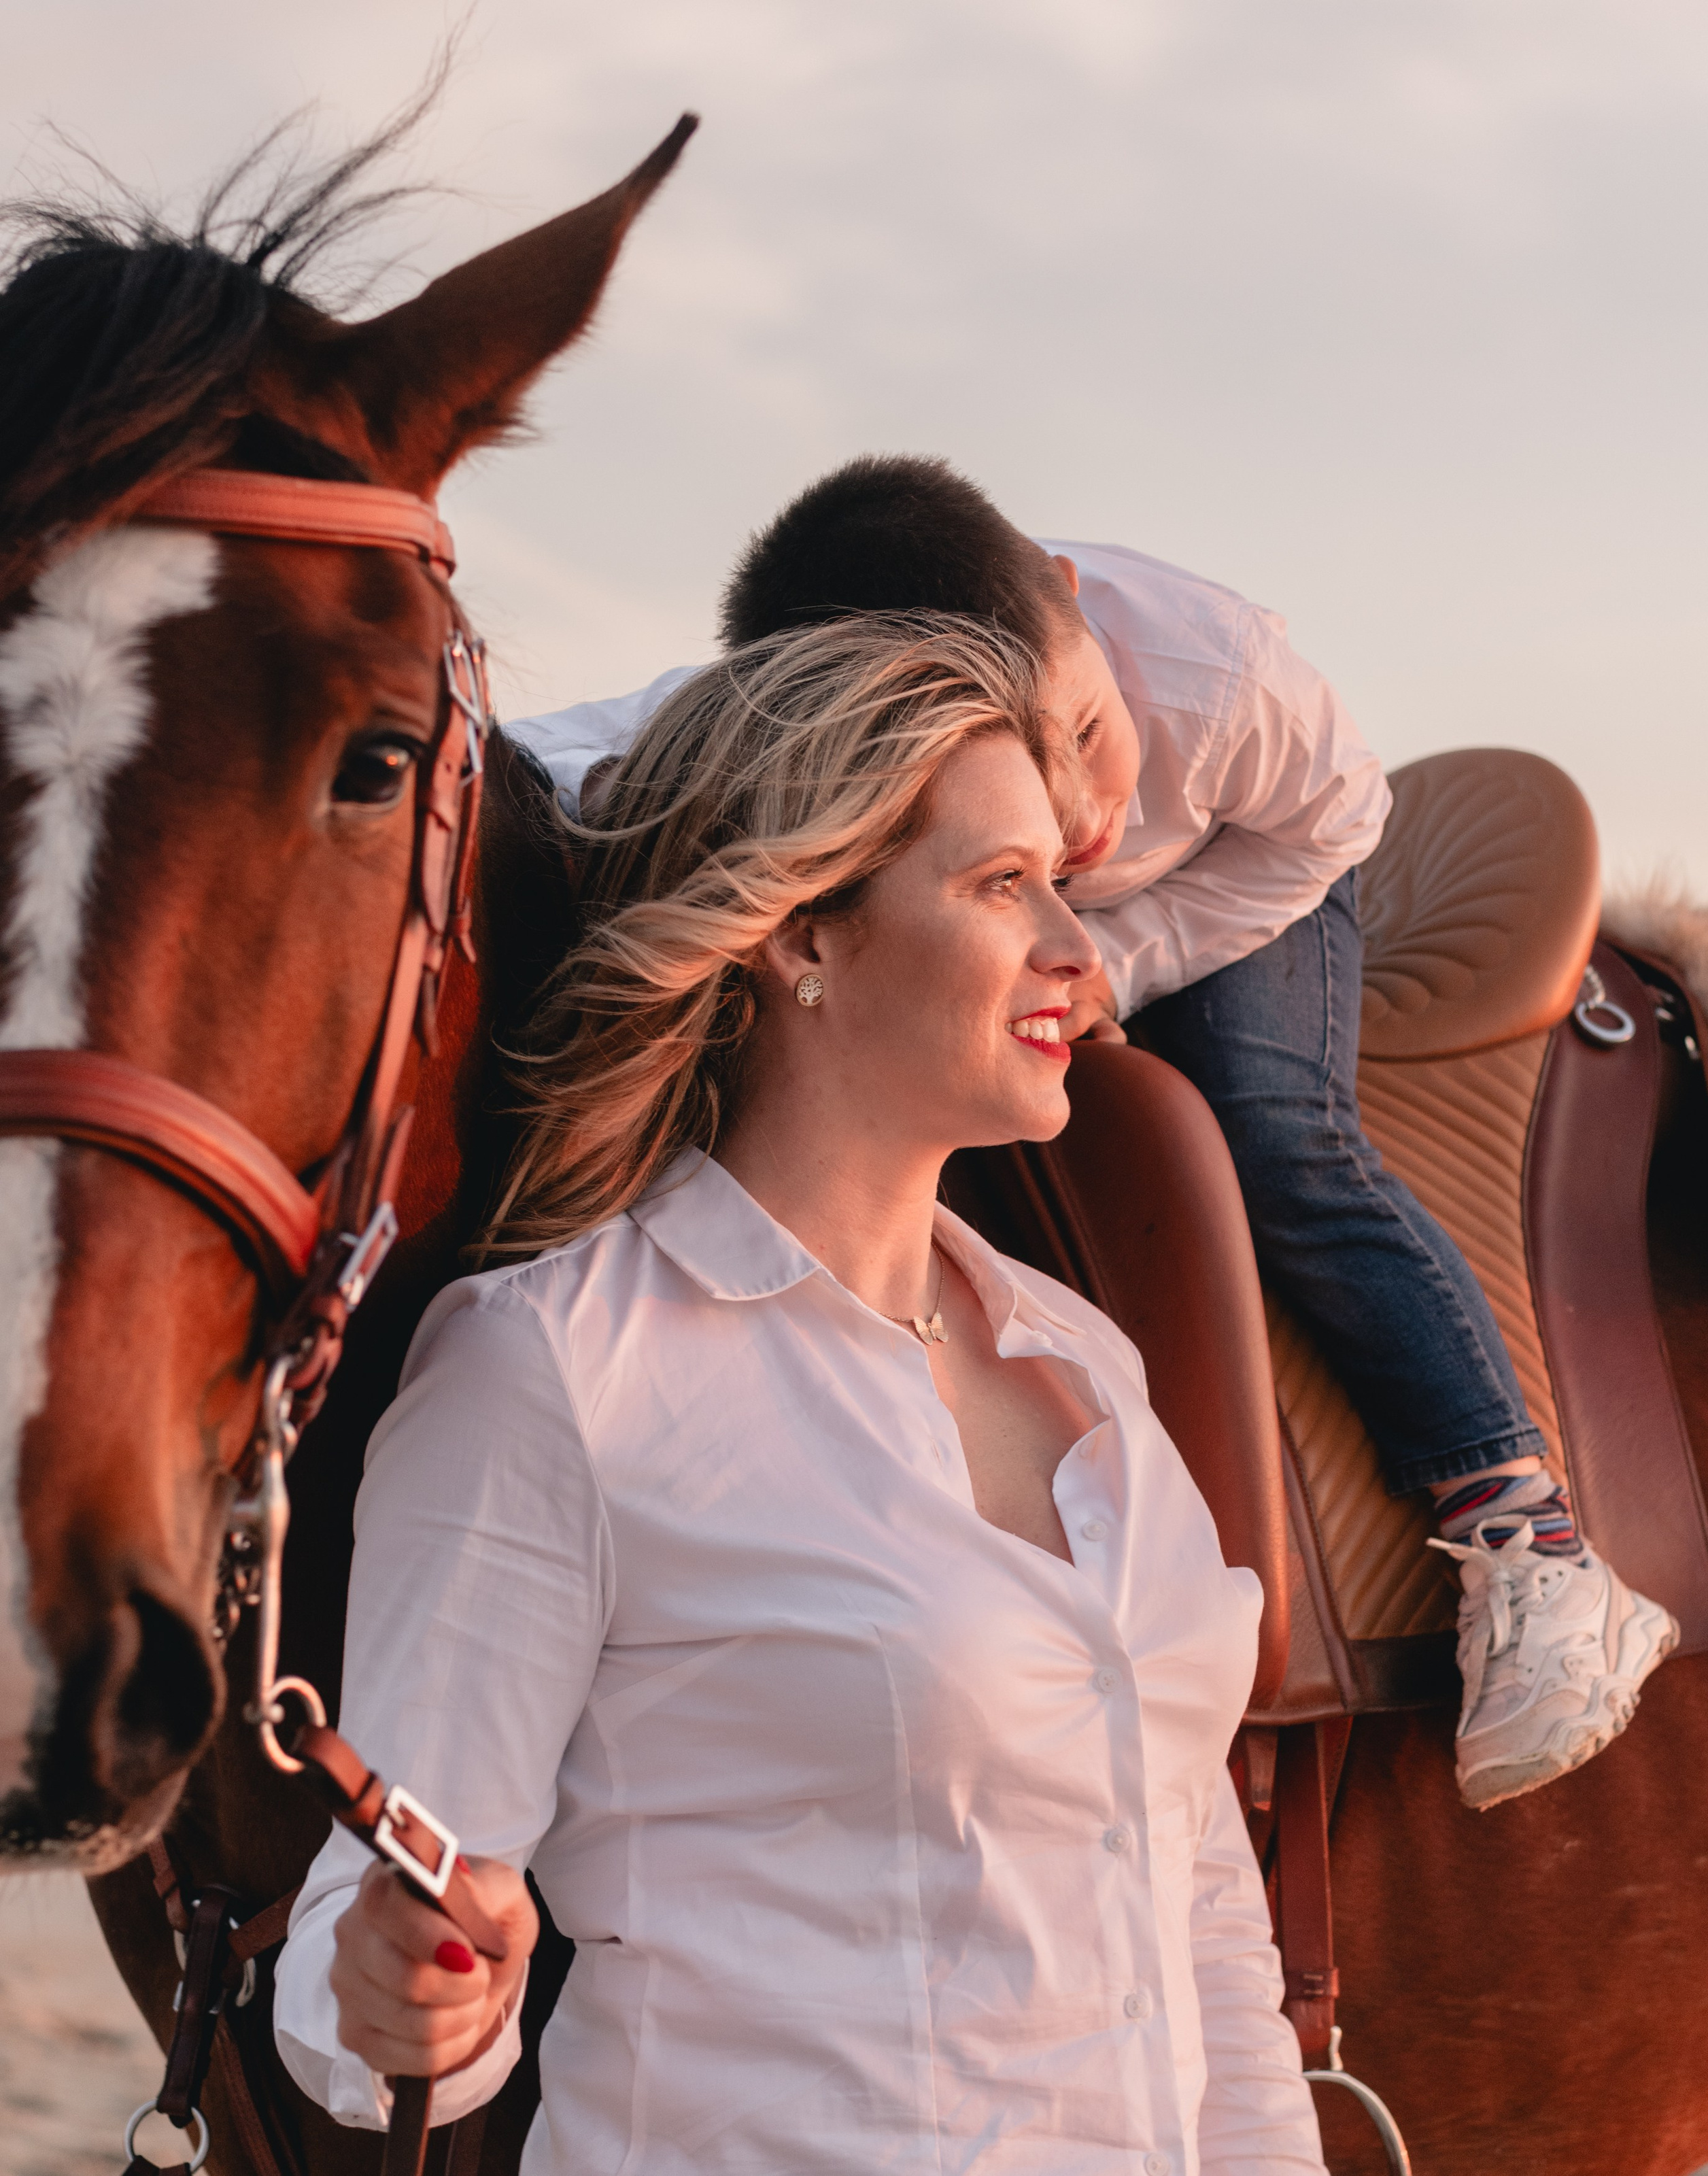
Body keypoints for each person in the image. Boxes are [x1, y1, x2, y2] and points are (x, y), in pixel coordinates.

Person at [273, 616, 1326, 2169]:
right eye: (995, 884)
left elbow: (1197, 1912)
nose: (1075, 950)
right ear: (803, 938)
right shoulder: (551, 1366)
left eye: (1060, 881)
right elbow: (369, 1946)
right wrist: (405, 1985)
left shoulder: (1086, 1361)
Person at [509, 457, 1677, 1812]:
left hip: (1249, 881)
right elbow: (563, 752)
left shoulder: (1217, 678)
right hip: (1003, 914)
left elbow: (1330, 822)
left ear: (1068, 600)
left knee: (1275, 1130)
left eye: (1073, 728)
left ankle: (1522, 1528)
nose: (1072, 807)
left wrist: (1114, 963)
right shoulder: (836, 681)